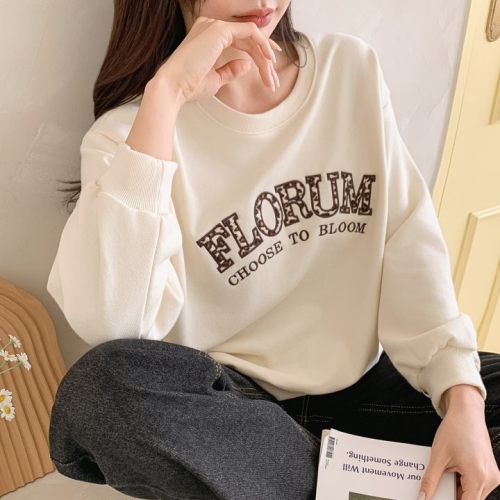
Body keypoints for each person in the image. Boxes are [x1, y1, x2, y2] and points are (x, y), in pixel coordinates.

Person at [47, 1, 500, 499]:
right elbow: (113, 325)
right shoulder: (130, 134)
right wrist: (167, 94)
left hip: (364, 393)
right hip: (234, 417)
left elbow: (409, 241)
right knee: (100, 392)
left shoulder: (349, 69)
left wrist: (462, 400)